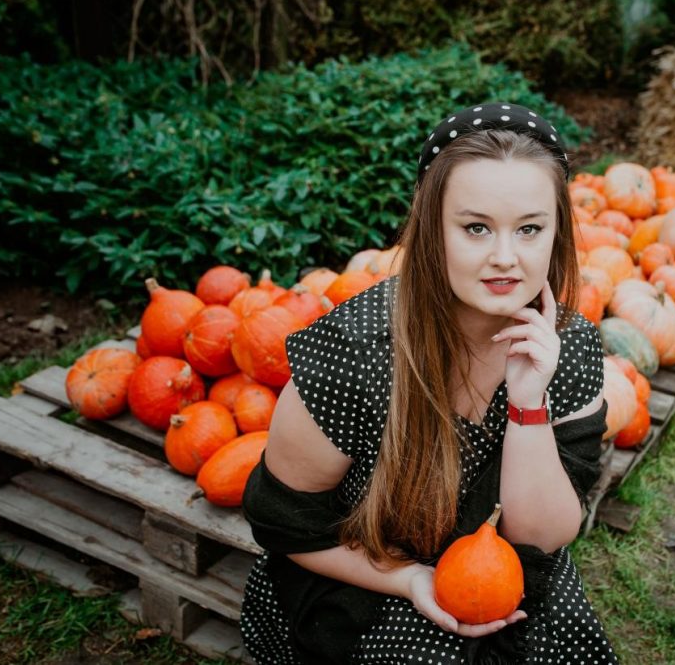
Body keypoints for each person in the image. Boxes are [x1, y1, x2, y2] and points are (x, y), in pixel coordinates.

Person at [240, 102, 619, 664]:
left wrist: (528, 403)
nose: (505, 259)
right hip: (368, 569)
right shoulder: (357, 351)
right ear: (431, 229)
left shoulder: (567, 346)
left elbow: (541, 538)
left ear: (557, 233)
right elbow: (289, 523)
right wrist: (413, 580)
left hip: (503, 568)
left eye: (530, 229)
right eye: (475, 228)